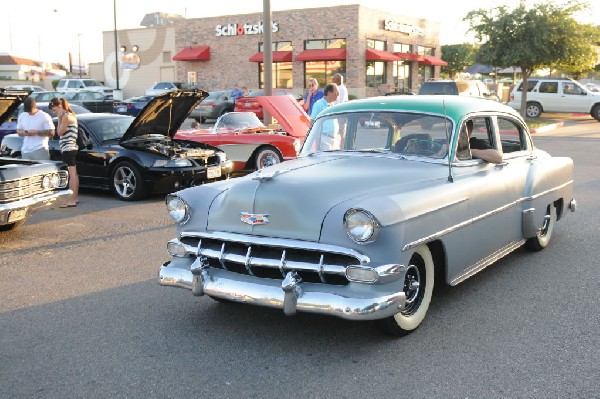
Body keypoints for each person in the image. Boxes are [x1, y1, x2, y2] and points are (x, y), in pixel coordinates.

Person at [49, 97, 79, 207]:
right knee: (74, 174)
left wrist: (60, 117)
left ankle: (71, 200)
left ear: (60, 106)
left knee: (71, 175)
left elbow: (60, 132)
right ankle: (74, 199)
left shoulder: (66, 116)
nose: (54, 112)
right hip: (70, 148)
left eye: (54, 109)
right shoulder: (68, 115)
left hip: (69, 149)